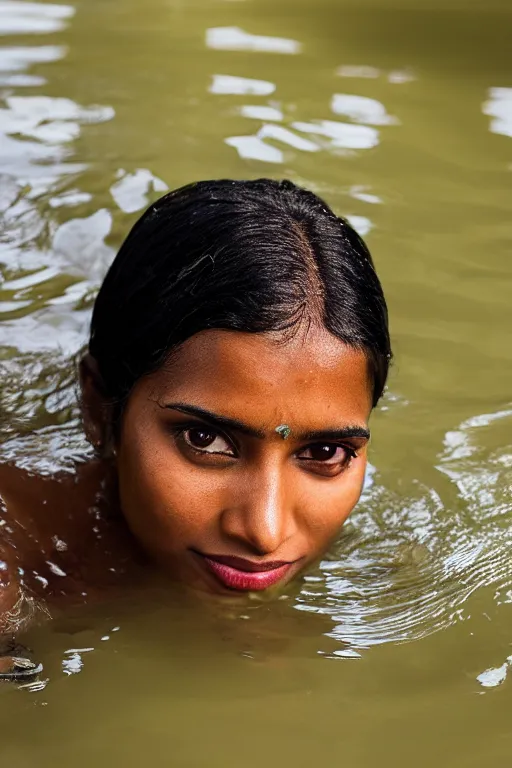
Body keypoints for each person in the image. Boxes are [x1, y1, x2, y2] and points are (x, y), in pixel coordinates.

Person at [0, 178, 391, 675]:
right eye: (204, 439)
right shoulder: (22, 568)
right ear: (100, 411)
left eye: (325, 452)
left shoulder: (382, 559)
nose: (265, 532)